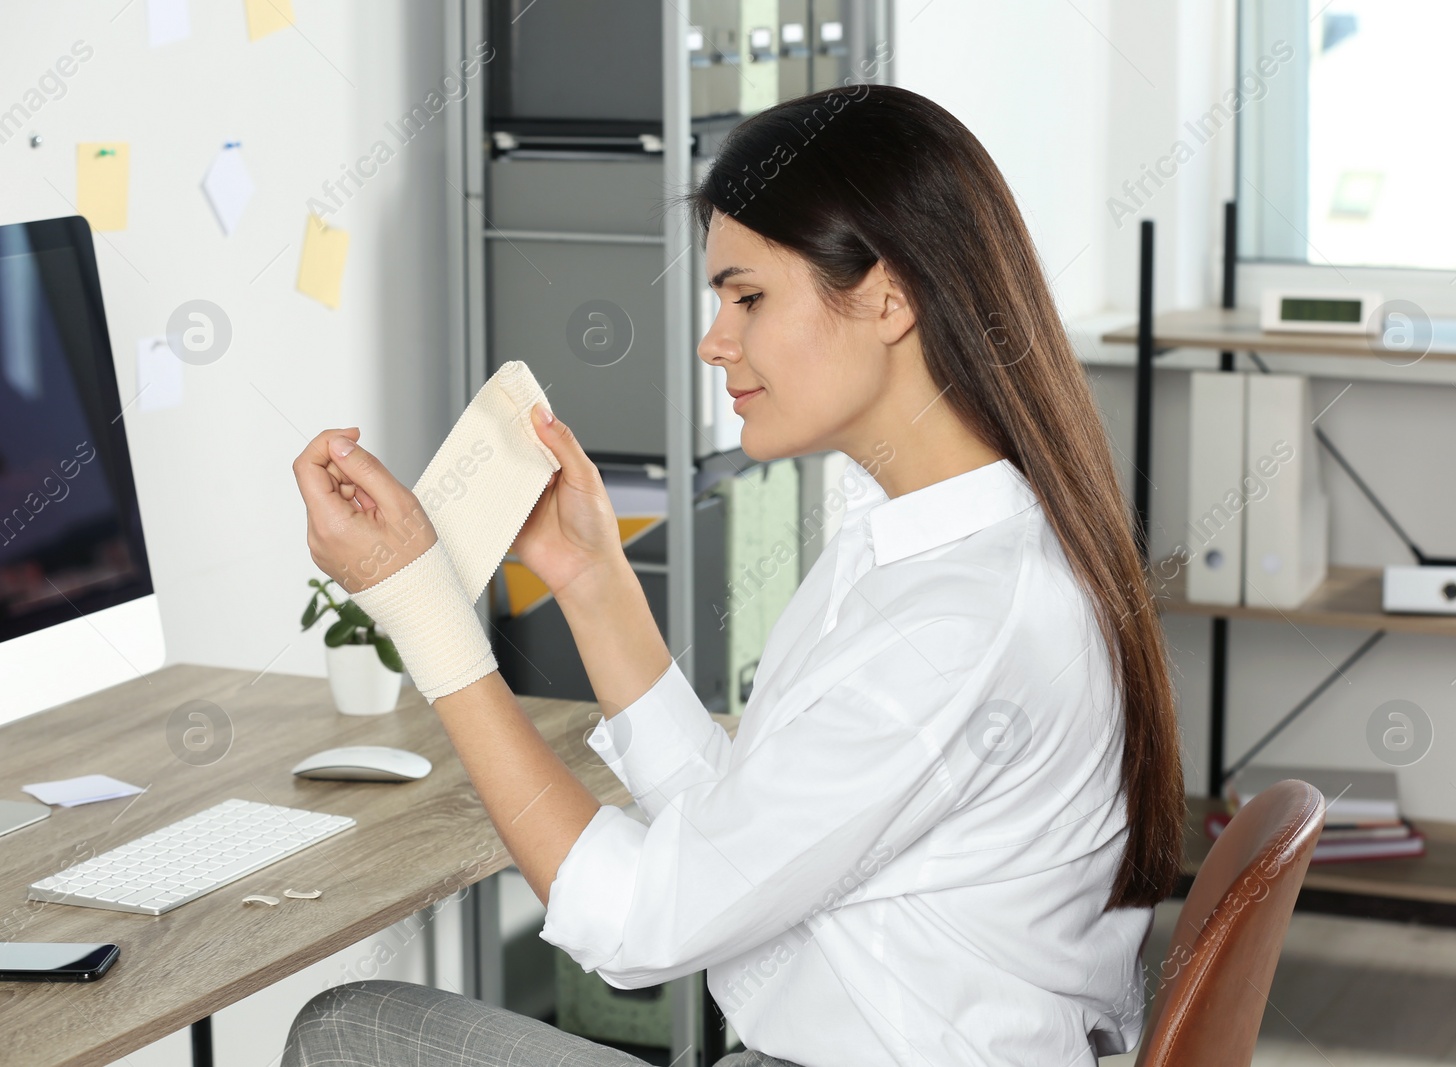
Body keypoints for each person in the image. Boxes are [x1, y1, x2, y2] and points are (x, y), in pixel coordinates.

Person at [281, 82, 1184, 1067]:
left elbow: (635, 922)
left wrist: (421, 606)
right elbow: (739, 829)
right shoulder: (929, 547)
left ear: (889, 295)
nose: (714, 341)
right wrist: (589, 578)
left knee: (350, 1030)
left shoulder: (956, 622)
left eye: (747, 296)